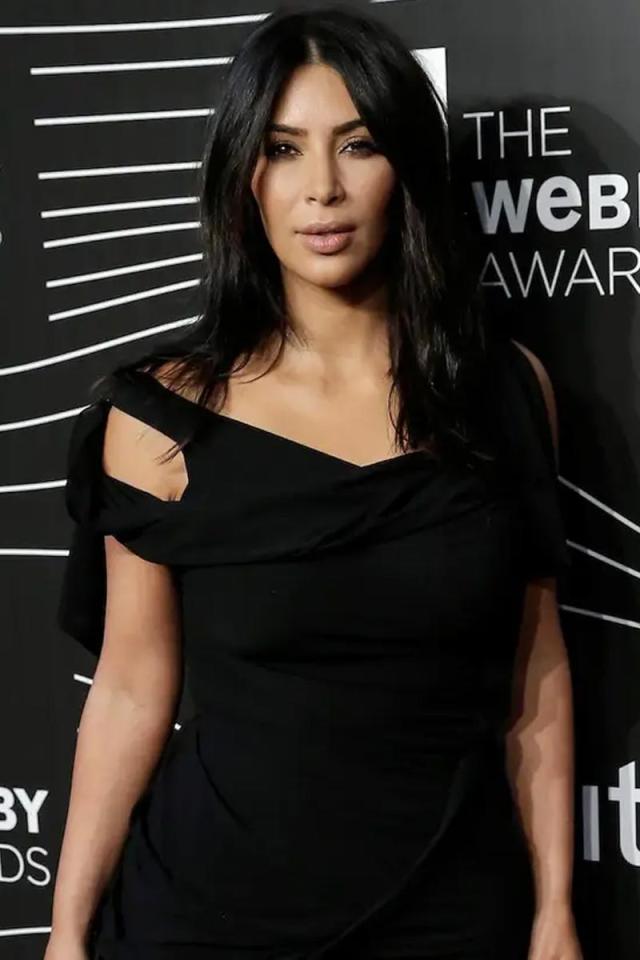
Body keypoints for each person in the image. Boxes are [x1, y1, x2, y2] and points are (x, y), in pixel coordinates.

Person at [46, 5, 583, 959]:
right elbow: (130, 687)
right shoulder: (160, 418)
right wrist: (66, 934)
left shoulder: (505, 393)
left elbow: (535, 674)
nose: (322, 188)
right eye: (284, 149)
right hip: (204, 922)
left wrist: (554, 915)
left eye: (358, 144)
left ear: (405, 167)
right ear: (244, 176)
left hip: (452, 915)